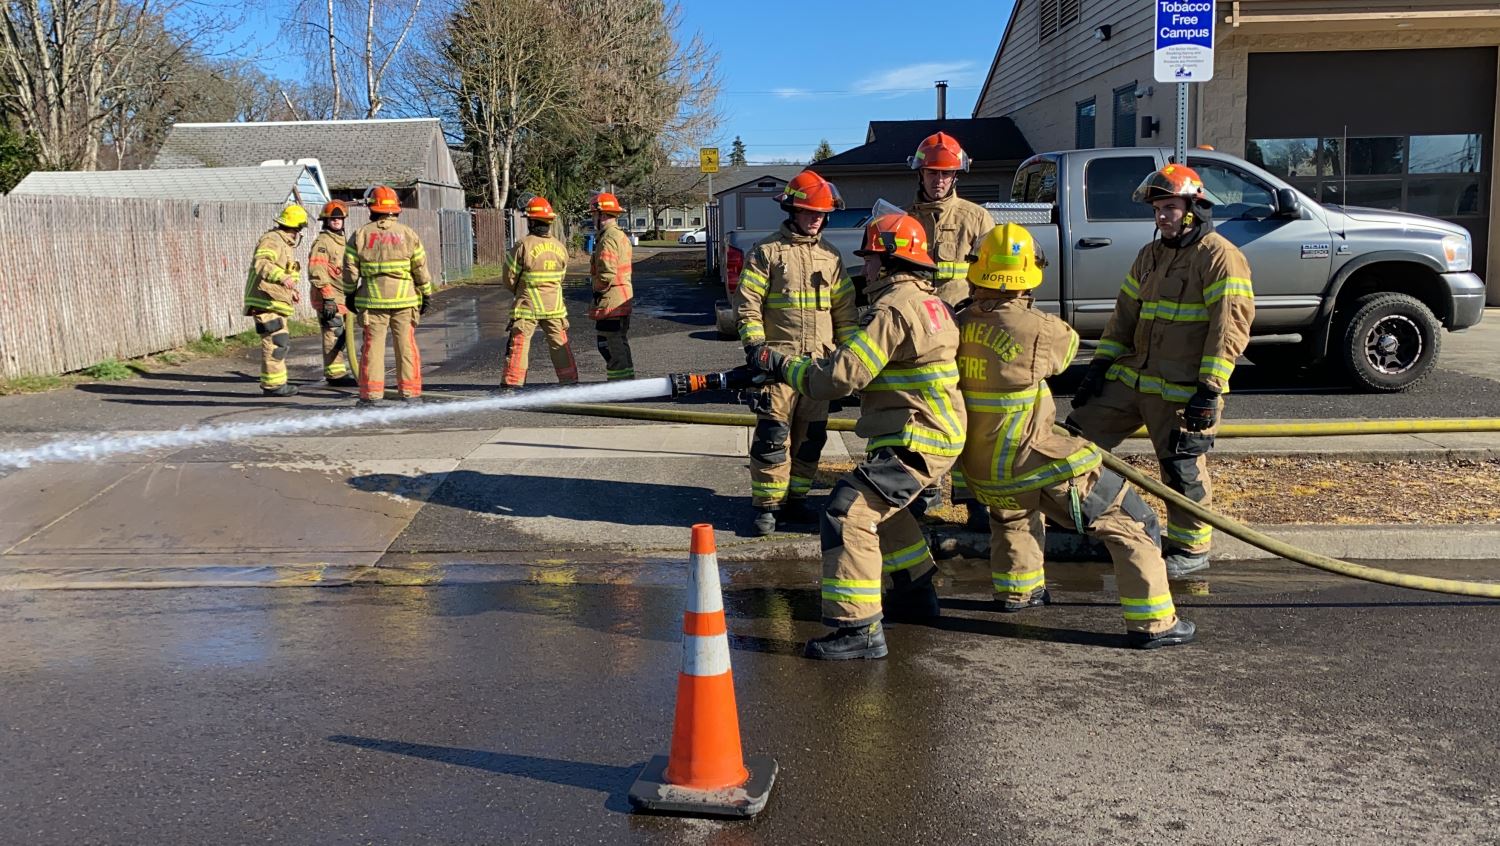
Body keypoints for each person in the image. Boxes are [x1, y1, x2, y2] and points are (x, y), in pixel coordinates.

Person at [955, 222, 1194, 648]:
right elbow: (1066, 350)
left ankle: (1019, 591)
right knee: (1133, 522)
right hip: (1029, 458)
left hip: (980, 468)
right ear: (1031, 275)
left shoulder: (955, 325)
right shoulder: (1042, 330)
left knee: (1012, 516)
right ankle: (1154, 623)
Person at [747, 212, 964, 661]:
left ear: (887, 262)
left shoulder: (891, 309)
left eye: (869, 259)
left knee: (847, 513)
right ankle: (916, 593)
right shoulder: (929, 301)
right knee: (890, 512)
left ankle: (858, 628)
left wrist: (781, 364)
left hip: (916, 438)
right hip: (930, 432)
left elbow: (840, 377)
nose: (862, 268)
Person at [1067, 164, 1255, 577]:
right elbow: (1124, 317)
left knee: (1181, 467)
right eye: (1157, 209)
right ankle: (1086, 521)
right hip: (1134, 379)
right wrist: (1099, 367)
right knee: (1073, 440)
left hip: (1185, 391)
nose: (1161, 217)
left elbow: (1230, 327)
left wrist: (1209, 390)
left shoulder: (1220, 257)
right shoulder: (1150, 255)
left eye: (1169, 207)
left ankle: (1190, 549)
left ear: (1195, 207)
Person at [736, 170, 858, 535]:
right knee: (773, 437)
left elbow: (845, 311)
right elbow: (748, 305)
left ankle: (797, 501)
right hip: (778, 366)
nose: (816, 219)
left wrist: (849, 357)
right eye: (809, 212)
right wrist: (756, 347)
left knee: (811, 439)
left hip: (819, 367)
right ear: (791, 209)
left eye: (821, 214)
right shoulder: (767, 253)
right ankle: (767, 507)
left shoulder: (831, 257)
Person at [343, 185, 433, 406]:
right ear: (395, 209)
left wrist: (349, 293)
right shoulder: (407, 234)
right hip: (405, 301)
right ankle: (411, 395)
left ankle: (371, 397)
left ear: (372, 209)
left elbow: (350, 269)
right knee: (406, 346)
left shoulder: (361, 234)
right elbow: (420, 267)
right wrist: (426, 293)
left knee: (373, 348)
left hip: (373, 302)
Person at [905, 131, 995, 308]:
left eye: (946, 174)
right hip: (915, 314)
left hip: (960, 315)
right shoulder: (904, 219)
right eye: (932, 172)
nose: (939, 180)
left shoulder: (976, 218)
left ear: (955, 177)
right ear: (921, 174)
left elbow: (989, 274)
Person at [500, 196, 577, 391]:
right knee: (559, 342)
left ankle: (513, 383)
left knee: (520, 342)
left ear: (531, 221)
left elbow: (509, 278)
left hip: (528, 306)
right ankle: (569, 381)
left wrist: (520, 291)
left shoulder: (523, 245)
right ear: (549, 221)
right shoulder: (560, 247)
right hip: (555, 306)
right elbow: (561, 277)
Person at [241, 204, 308, 397]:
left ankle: (276, 384)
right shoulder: (272, 240)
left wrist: (291, 290)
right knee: (275, 341)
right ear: (295, 228)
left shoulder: (284, 243)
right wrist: (283, 278)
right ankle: (273, 386)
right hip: (264, 301)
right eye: (298, 229)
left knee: (280, 341)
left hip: (274, 301)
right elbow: (262, 264)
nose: (298, 234)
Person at [307, 200, 357, 387]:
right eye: (332, 218)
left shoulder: (343, 241)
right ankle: (335, 375)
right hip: (328, 297)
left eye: (339, 218)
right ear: (325, 220)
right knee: (333, 333)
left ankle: (338, 370)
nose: (336, 221)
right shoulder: (323, 242)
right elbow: (316, 271)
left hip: (342, 296)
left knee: (343, 335)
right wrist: (328, 297)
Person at [589, 192, 634, 380]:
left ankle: (619, 383)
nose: (592, 218)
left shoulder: (608, 239)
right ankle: (625, 380)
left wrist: (597, 291)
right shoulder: (620, 236)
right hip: (621, 296)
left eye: (594, 215)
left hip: (610, 298)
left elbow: (606, 272)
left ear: (603, 215)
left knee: (609, 343)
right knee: (618, 341)